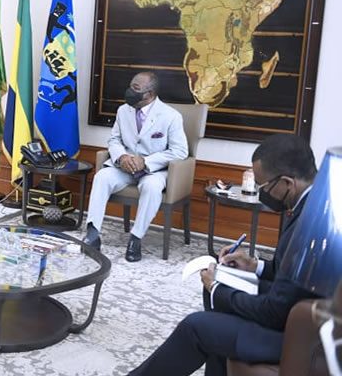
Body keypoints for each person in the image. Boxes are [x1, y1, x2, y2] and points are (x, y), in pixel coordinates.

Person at [127, 134, 321, 376]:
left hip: (291, 337)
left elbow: (274, 312)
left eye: (263, 187)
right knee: (218, 290)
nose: (261, 192)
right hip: (292, 313)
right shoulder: (315, 206)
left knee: (196, 325)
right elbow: (289, 274)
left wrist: (218, 289)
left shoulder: (309, 226)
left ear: (286, 183)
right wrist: (254, 265)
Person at [83, 72, 188, 261]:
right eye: (130, 86)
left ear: (150, 93)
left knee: (151, 187)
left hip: (153, 171)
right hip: (125, 167)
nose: (130, 91)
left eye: (136, 89)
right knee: (102, 177)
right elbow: (114, 139)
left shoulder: (171, 116)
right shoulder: (123, 111)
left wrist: (146, 162)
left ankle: (136, 238)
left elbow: (180, 151)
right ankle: (92, 233)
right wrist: (122, 156)